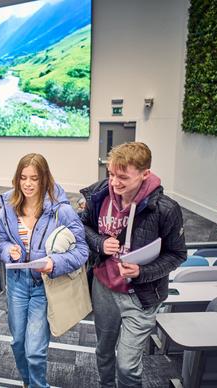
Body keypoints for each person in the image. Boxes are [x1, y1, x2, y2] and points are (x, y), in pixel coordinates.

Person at [79, 142, 186, 388]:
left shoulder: (166, 209)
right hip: (104, 289)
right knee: (103, 352)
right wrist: (100, 242)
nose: (114, 183)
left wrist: (142, 271)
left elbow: (177, 254)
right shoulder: (100, 194)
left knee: (127, 366)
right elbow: (81, 226)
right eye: (111, 174)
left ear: (145, 174)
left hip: (140, 295)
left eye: (123, 177)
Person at [0, 153, 88, 388]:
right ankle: (29, 383)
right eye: (23, 177)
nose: (27, 184)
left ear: (44, 179)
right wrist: (8, 251)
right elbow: (0, 240)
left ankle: (39, 385)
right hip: (16, 284)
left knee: (34, 351)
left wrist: (54, 263)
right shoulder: (7, 205)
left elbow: (82, 250)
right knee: (17, 343)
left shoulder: (61, 210)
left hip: (42, 286)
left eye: (34, 178)